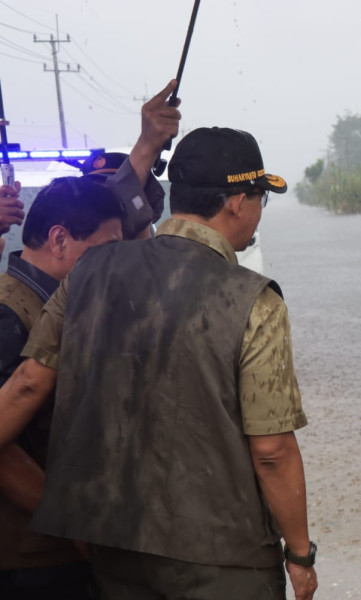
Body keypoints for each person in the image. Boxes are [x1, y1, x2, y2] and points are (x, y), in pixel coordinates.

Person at [0, 127, 317, 600]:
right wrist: (299, 553)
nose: (257, 213)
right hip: (220, 560)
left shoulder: (88, 274)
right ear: (236, 201)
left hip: (113, 549)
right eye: (259, 200)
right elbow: (271, 452)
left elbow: (27, 386)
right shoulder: (253, 298)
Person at [0, 177, 123, 599]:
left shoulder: (61, 305)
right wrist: (71, 524)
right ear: (59, 239)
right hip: (33, 560)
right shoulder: (9, 314)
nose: (115, 264)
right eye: (108, 249)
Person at [80, 79, 181, 240]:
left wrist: (147, 147)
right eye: (92, 193)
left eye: (109, 189)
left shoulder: (163, 258)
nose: (101, 202)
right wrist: (146, 146)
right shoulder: (80, 255)